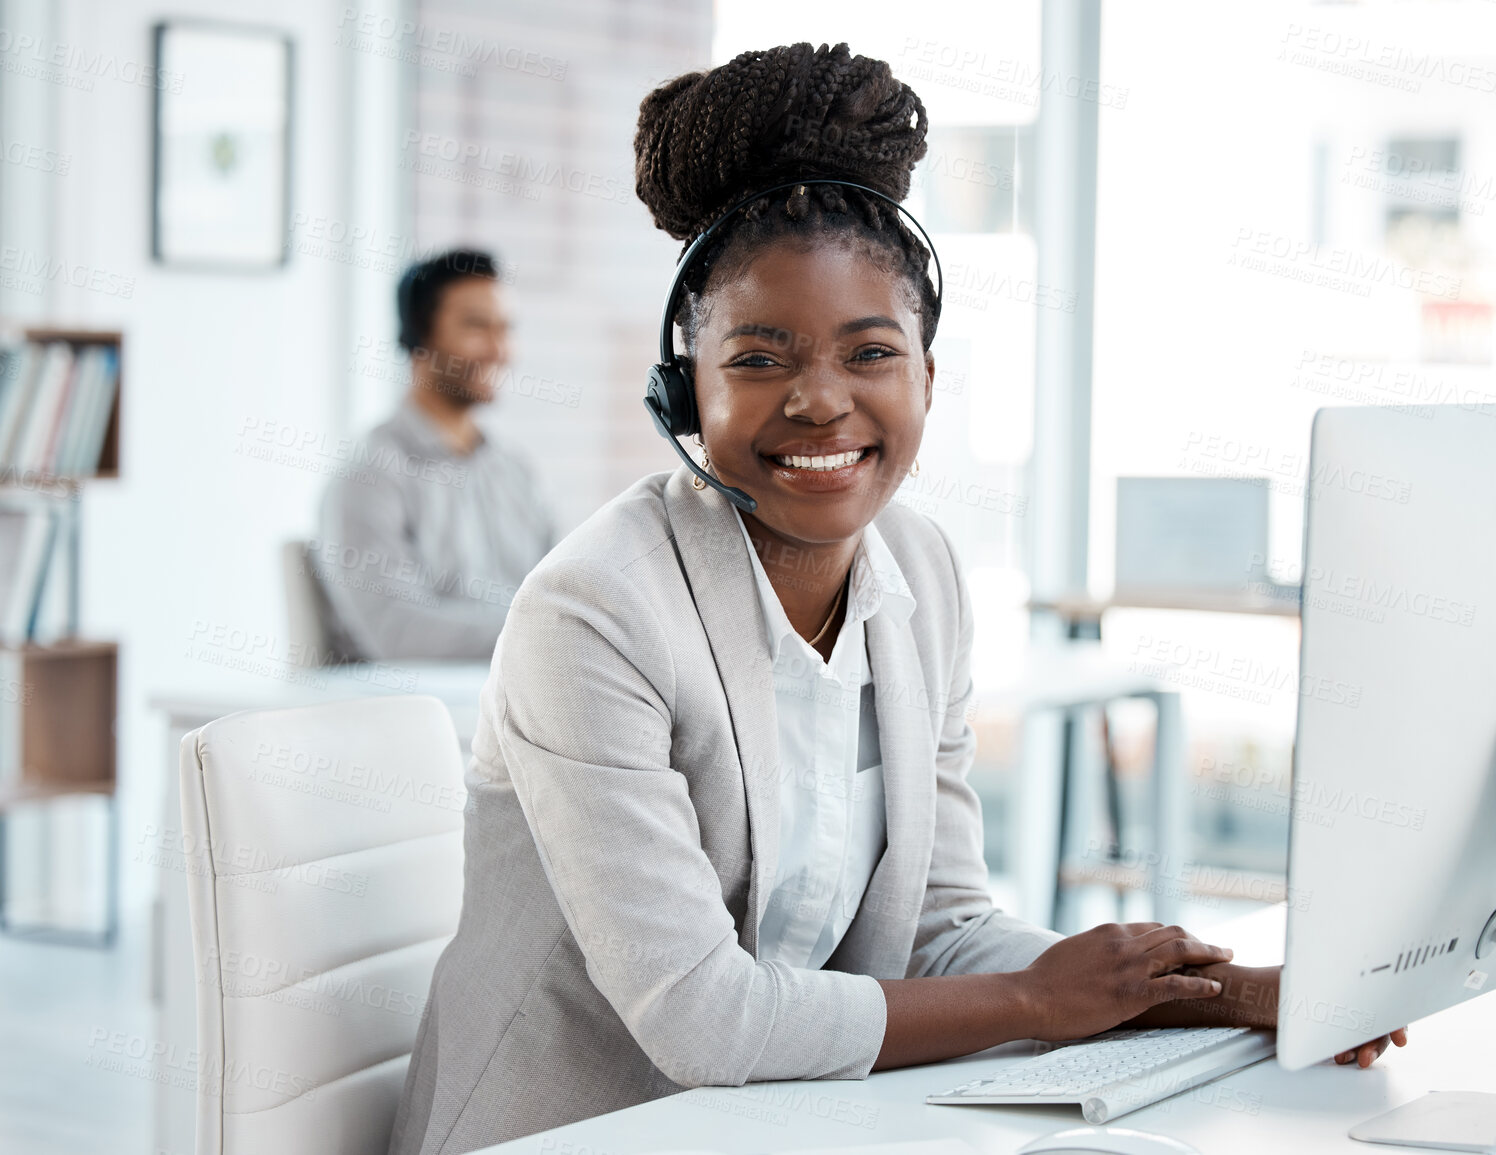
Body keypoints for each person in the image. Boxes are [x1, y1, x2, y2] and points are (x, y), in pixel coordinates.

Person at [389, 44, 1404, 1154]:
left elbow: (946, 931)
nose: (821, 402)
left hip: (788, 1121)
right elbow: (700, 1015)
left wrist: (1236, 995)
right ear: (686, 385)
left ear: (927, 374)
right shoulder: (596, 614)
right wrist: (1037, 1004)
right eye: (760, 360)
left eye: (870, 352)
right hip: (576, 1129)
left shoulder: (921, 575)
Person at [311, 249, 557, 662]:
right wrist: (549, 631)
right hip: (416, 717)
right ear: (419, 337)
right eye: (477, 327)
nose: (500, 350)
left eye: (506, 329)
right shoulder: (368, 477)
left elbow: (562, 587)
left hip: (517, 700)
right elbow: (398, 634)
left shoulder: (514, 470)